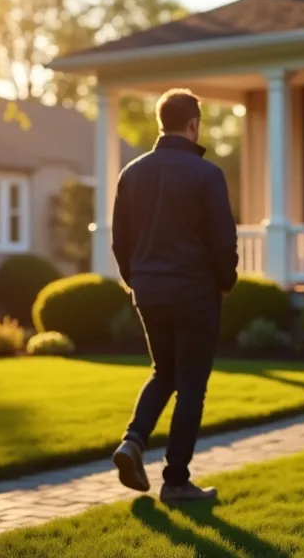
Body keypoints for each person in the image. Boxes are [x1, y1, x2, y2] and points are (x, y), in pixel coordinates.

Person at [110, 88, 238, 504]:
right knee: (190, 386)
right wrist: (226, 282)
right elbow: (223, 241)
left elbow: (120, 241)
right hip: (195, 292)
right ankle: (177, 482)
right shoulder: (206, 175)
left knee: (163, 371)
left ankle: (133, 440)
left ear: (161, 123)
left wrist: (137, 281)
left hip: (149, 291)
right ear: (193, 124)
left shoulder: (131, 174)